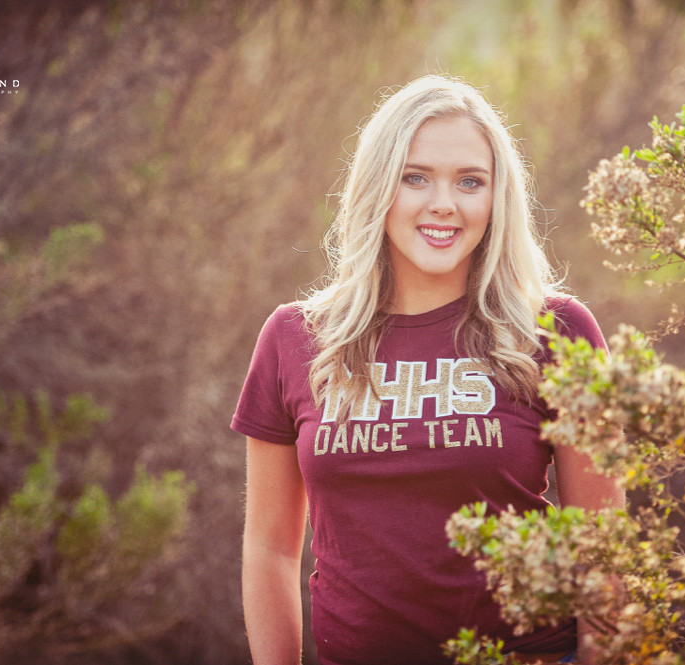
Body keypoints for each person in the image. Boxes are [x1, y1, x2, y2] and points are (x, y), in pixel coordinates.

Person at [232, 74, 623, 665]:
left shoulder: (556, 333)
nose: (444, 203)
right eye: (415, 177)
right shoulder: (296, 338)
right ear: (378, 188)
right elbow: (270, 549)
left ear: (496, 199)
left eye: (470, 181)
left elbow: (603, 547)